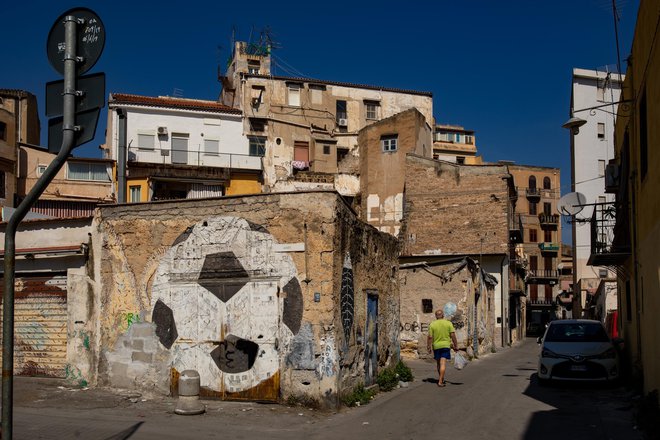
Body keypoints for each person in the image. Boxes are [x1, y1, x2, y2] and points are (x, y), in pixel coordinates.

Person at [427, 309, 458, 387]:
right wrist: (455, 345)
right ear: (443, 315)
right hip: (445, 346)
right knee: (443, 363)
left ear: (436, 316)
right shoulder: (448, 323)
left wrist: (428, 346)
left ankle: (441, 378)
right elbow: (453, 335)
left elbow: (430, 337)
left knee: (438, 363)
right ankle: (440, 381)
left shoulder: (432, 324)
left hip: (436, 346)